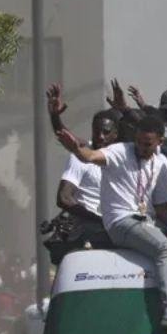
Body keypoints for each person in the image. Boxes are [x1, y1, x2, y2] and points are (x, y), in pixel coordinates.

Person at [53, 111, 167, 330]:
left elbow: (161, 207)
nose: (141, 148)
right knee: (165, 250)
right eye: (139, 142)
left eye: (148, 144)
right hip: (121, 221)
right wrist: (75, 148)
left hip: (147, 221)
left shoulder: (161, 164)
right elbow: (90, 156)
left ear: (160, 142)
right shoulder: (120, 151)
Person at [47, 85, 118, 247]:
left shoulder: (124, 155)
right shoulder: (81, 155)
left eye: (106, 132)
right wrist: (55, 117)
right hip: (90, 230)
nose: (100, 137)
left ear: (116, 134)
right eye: (96, 131)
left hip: (117, 227)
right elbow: (64, 198)